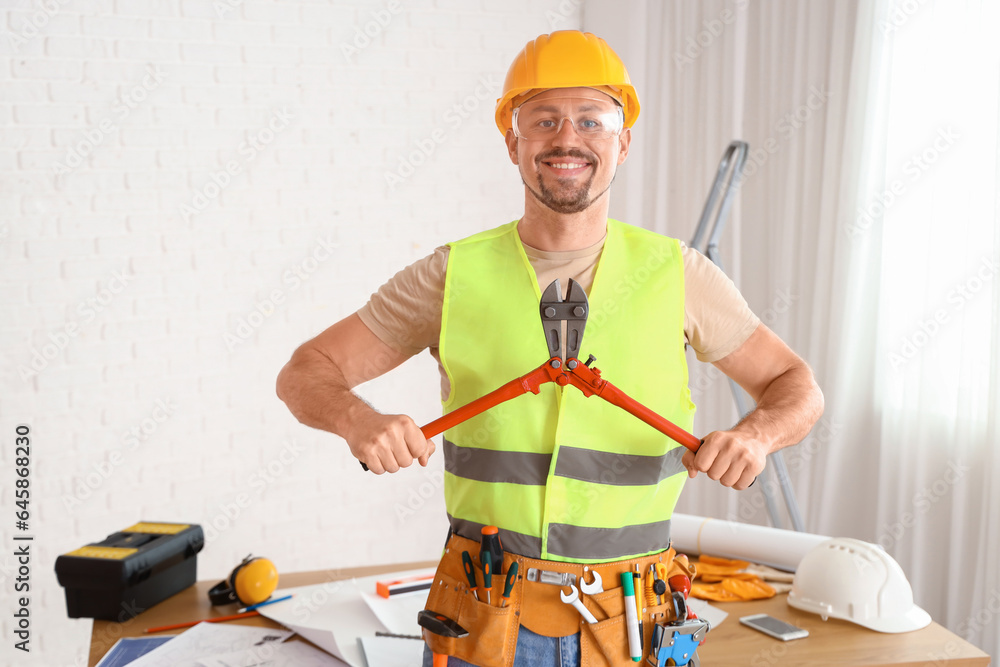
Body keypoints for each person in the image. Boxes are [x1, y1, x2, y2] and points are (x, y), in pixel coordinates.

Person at [277, 30, 823, 667]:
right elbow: (304, 372)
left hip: (632, 618)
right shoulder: (451, 275)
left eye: (593, 119)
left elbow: (795, 383)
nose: (569, 138)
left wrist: (757, 435)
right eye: (544, 120)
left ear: (624, 141)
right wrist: (358, 420)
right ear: (514, 142)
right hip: (482, 612)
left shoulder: (679, 274)